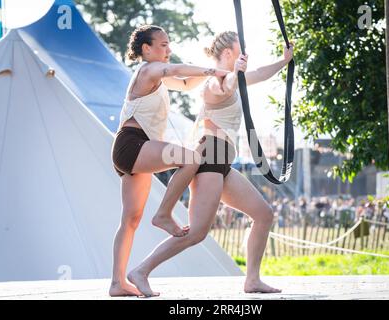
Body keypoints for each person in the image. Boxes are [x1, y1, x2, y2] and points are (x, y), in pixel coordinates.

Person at [127, 31, 294, 296]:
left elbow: (259, 74)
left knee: (263, 214)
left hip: (223, 160)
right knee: (196, 233)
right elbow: (223, 87)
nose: (246, 58)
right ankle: (141, 270)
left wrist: (283, 62)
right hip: (210, 156)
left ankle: (252, 279)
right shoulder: (215, 83)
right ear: (228, 54)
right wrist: (232, 76)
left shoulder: (231, 78)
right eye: (241, 52)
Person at [109, 25, 229, 297]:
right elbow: (174, 70)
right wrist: (213, 71)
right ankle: (164, 214)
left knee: (130, 219)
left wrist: (214, 66)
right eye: (163, 45)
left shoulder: (157, 76)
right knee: (191, 159)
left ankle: (117, 283)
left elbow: (185, 83)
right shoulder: (147, 70)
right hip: (134, 144)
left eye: (169, 44)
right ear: (146, 49)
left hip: (134, 149)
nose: (168, 49)